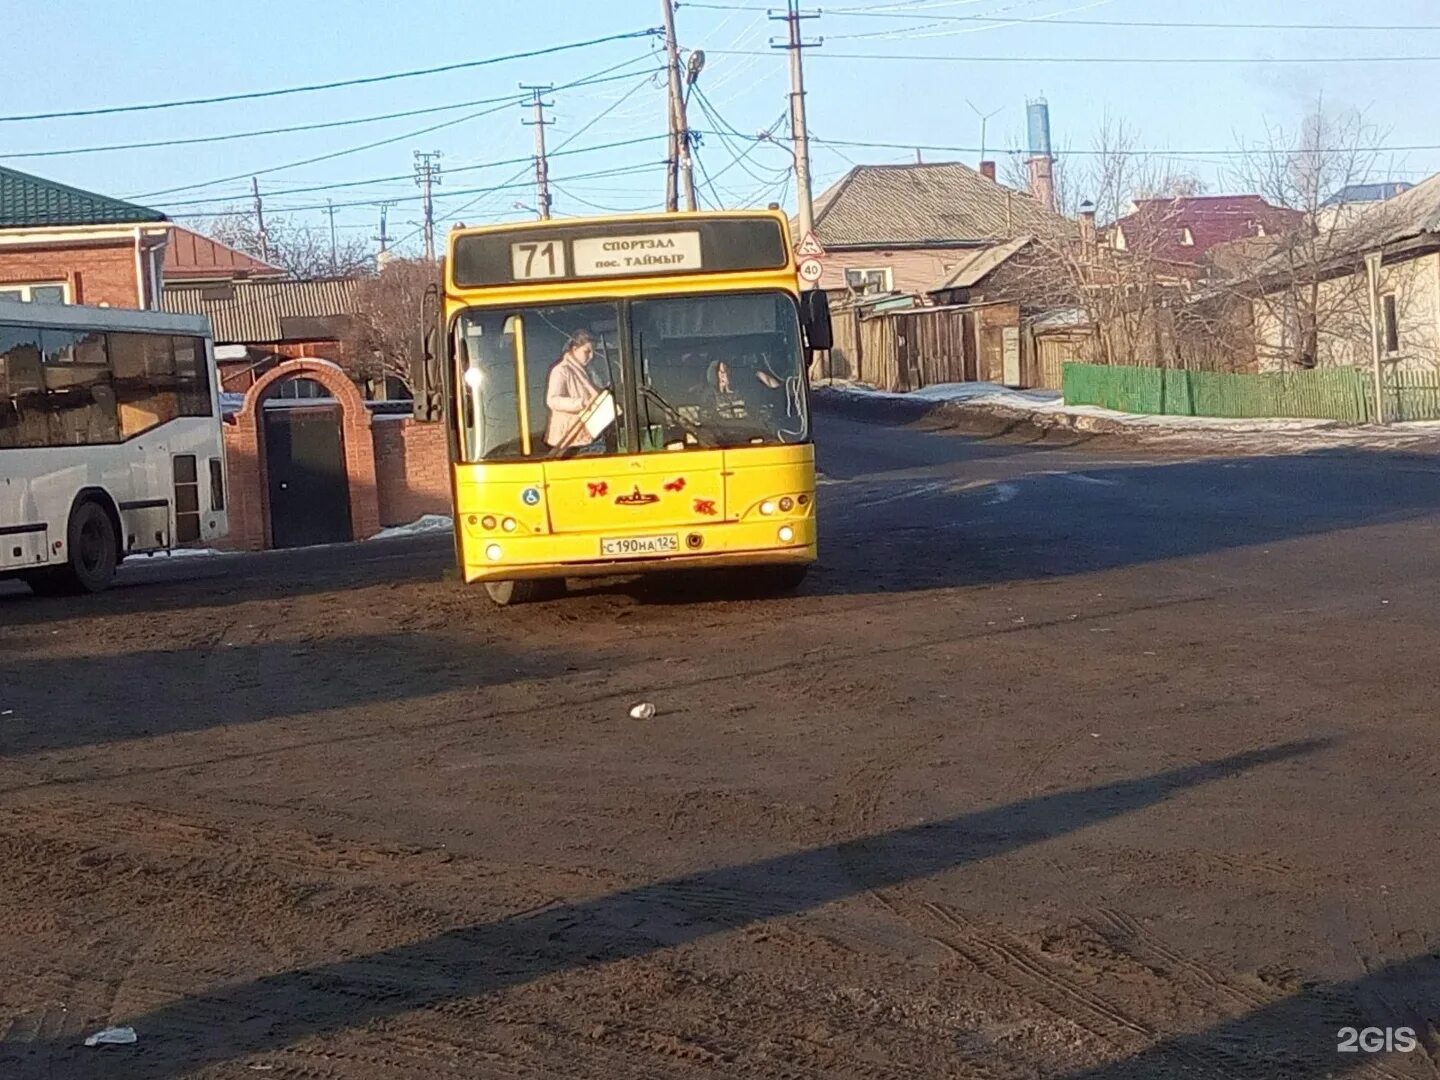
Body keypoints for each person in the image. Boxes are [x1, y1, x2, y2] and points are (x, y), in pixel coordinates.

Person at [545, 330, 602, 450]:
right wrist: (582, 403)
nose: (591, 356)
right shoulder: (561, 370)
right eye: (587, 352)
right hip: (569, 438)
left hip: (585, 433)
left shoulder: (588, 370)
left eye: (593, 352)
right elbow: (553, 400)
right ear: (575, 349)